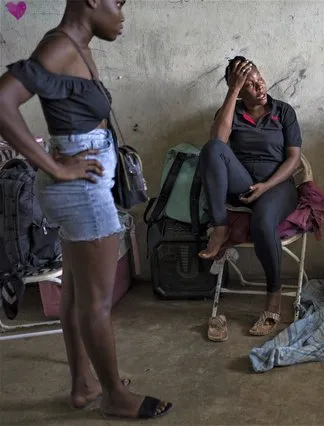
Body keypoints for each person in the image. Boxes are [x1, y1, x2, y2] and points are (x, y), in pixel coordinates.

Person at [0, 1, 172, 420]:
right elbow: (2, 101)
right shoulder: (59, 47)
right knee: (96, 303)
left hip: (80, 184)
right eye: (120, 3)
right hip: (81, 189)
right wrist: (57, 166)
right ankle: (114, 395)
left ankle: (83, 384)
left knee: (76, 295)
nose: (123, 14)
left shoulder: (75, 46)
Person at [199, 56, 302, 339]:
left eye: (260, 80)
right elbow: (218, 143)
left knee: (262, 222)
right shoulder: (230, 111)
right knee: (211, 149)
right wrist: (233, 91)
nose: (260, 87)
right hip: (242, 184)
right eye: (250, 84)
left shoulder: (283, 112)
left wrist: (266, 186)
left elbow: (294, 159)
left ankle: (273, 298)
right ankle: (220, 227)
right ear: (239, 90)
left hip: (278, 187)